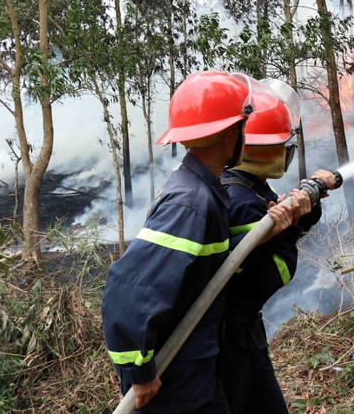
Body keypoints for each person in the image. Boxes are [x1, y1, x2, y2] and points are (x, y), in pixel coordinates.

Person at [102, 70, 253, 413]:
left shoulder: (201, 191)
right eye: (244, 126)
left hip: (195, 376)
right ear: (230, 133)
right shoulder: (190, 203)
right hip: (175, 389)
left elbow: (204, 264)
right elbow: (128, 291)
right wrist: (139, 372)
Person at [218, 79, 336, 413]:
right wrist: (290, 225)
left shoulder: (248, 187)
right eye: (282, 144)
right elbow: (272, 275)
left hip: (240, 334)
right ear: (260, 149)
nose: (287, 151)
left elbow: (278, 233)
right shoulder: (243, 203)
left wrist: (304, 212)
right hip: (230, 340)